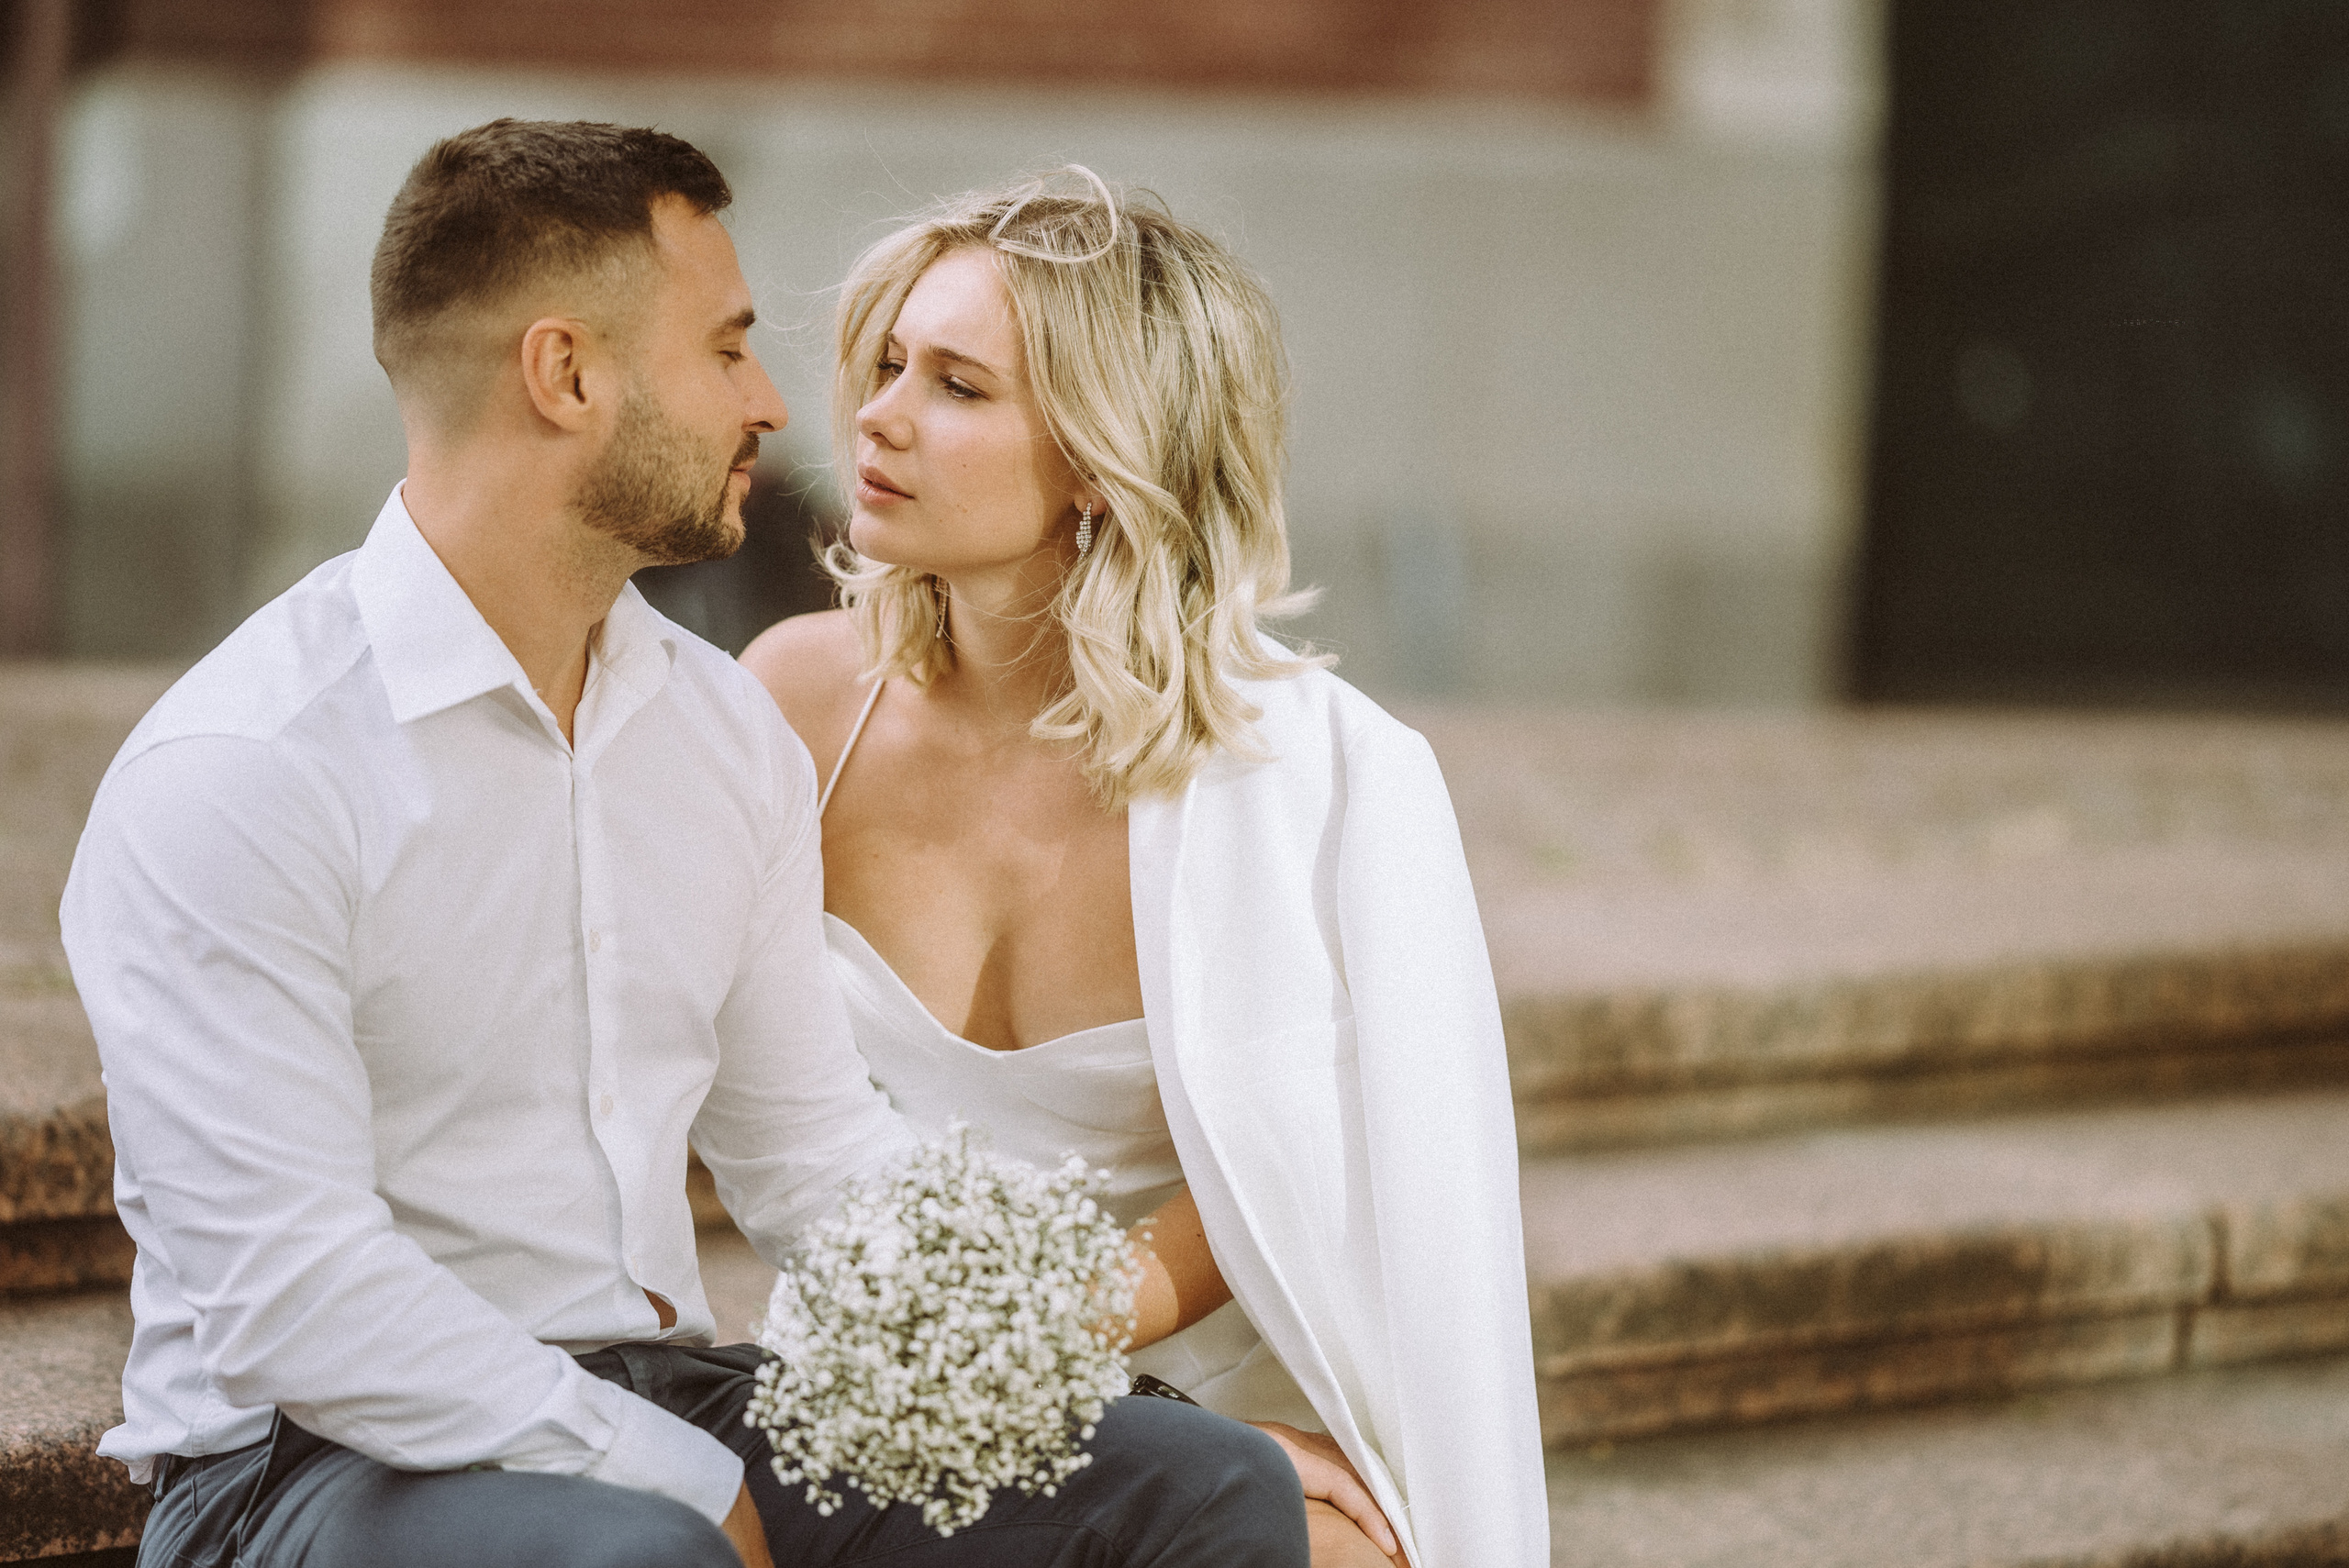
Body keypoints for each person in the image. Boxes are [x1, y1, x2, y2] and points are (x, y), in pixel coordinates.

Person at [62, 122, 1309, 1568]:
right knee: (646, 1558)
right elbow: (295, 1295)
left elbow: (816, 1164)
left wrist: (1069, 1379)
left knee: (1201, 1487)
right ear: (566, 374)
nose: (775, 402)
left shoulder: (721, 735)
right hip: (308, 1463)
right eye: (725, 350)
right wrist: (665, 1474)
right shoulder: (246, 768)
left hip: (658, 1386)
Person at [741, 169, 1549, 1568]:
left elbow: (1316, 1155)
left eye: (957, 385)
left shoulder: (1320, 777)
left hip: (1191, 1379)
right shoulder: (794, 705)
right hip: (868, 1367)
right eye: (887, 363)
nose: (877, 414)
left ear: (1102, 464)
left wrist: (1121, 1401)